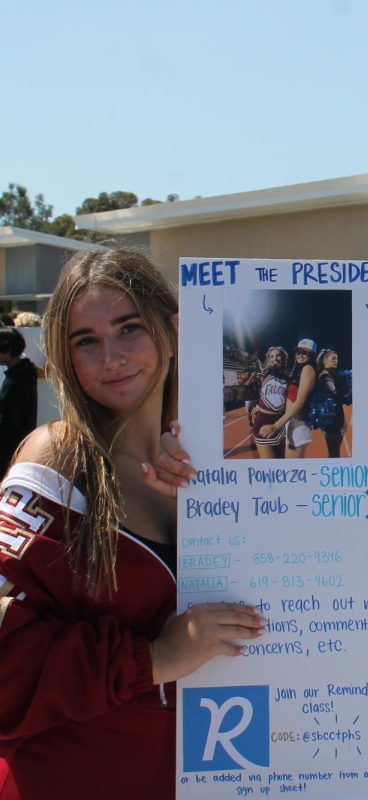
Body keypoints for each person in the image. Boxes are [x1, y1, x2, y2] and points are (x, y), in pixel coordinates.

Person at [0, 250, 264, 800]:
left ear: (172, 329)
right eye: (86, 341)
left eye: (129, 329)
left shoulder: (220, 462)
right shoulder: (58, 461)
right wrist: (154, 658)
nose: (111, 358)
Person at [261, 338, 316, 459]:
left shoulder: (307, 369)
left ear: (311, 354)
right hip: (294, 423)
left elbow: (300, 402)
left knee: (292, 470)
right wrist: (261, 408)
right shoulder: (301, 370)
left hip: (298, 425)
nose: (300, 355)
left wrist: (276, 425)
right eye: (298, 352)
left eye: (304, 352)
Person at [0, 328, 36, 474]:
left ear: (7, 349)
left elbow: (8, 422)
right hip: (21, 448)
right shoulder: (27, 373)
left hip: (7, 452)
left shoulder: (15, 382)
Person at [247, 345, 289, 459]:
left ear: (283, 358)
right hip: (262, 425)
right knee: (270, 467)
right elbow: (258, 353)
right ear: (269, 360)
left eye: (278, 356)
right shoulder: (264, 375)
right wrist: (261, 409)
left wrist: (261, 409)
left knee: (282, 463)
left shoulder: (288, 379)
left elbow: (286, 410)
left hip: (280, 425)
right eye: (272, 356)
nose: (275, 358)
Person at [308, 348, 351, 458]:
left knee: (335, 451)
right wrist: (348, 391)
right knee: (334, 452)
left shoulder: (334, 374)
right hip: (332, 420)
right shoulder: (325, 376)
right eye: (334, 358)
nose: (336, 361)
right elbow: (336, 394)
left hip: (337, 416)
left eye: (337, 359)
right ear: (325, 361)